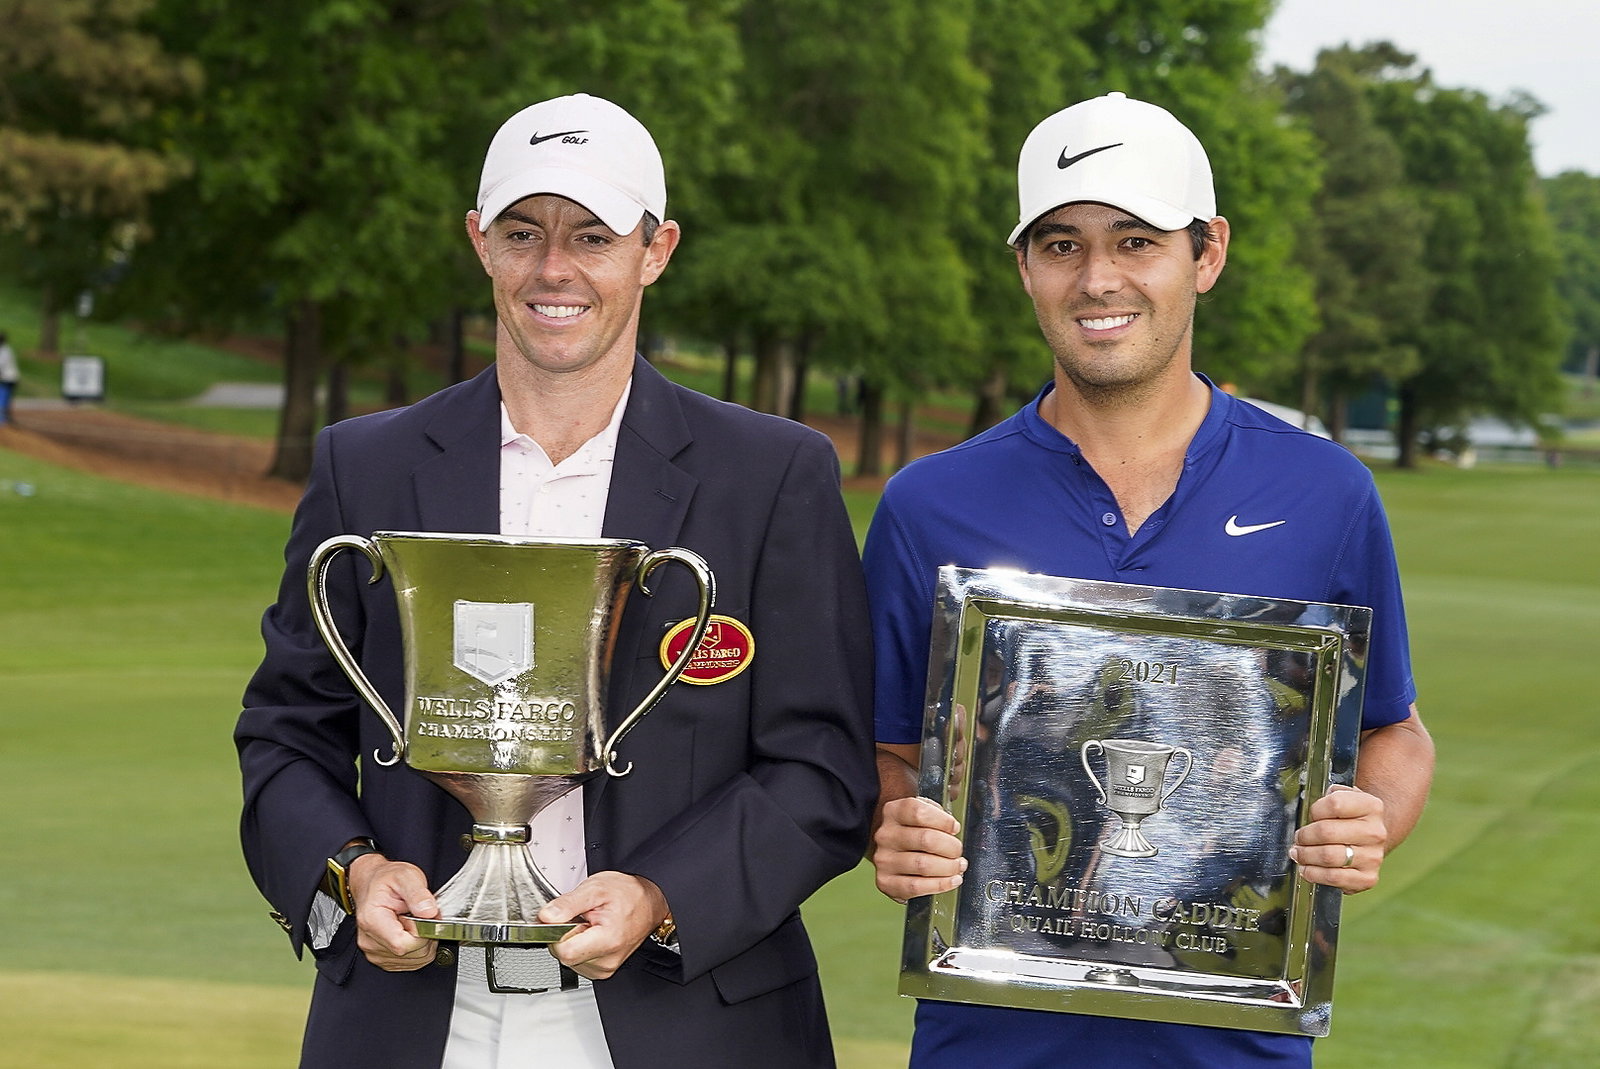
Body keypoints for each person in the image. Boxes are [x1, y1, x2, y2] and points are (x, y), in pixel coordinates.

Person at [237, 93, 876, 1069]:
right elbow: (286, 733)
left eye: (592, 236)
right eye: (522, 232)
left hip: (687, 1018)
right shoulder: (364, 467)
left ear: (655, 250)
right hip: (417, 1020)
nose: (553, 268)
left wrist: (662, 895)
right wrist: (353, 873)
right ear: (479, 242)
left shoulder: (771, 476)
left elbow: (822, 769)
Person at [864, 92, 1435, 1068]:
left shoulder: (1324, 492)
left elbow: (1395, 731)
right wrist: (893, 821)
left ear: (1206, 253)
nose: (1098, 279)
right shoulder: (929, 504)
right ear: (1024, 267)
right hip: (988, 1042)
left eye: (1136, 241)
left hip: (1234, 1045)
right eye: (1062, 245)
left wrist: (1366, 821)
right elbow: (879, 748)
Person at [0, 332, 18, 424]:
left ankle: (2, 418)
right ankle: (5, 417)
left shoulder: (4, 351)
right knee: (5, 397)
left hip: (7, 378)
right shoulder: (7, 350)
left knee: (3, 397)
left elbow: (1, 365)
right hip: (10, 377)